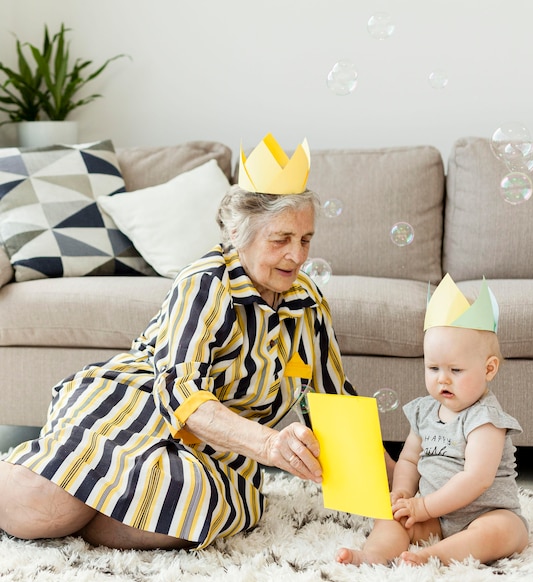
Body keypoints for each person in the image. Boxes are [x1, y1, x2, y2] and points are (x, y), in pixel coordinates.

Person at [0, 133, 391, 550]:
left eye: (305, 239)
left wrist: (399, 485)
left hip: (222, 451)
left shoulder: (307, 301)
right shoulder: (206, 283)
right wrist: (269, 443)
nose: (297, 256)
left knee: (182, 514)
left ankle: (84, 499)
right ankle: (58, 493)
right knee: (42, 510)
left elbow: (335, 400)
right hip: (143, 407)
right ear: (240, 234)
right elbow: (181, 394)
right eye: (281, 239)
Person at [337, 274, 528, 567]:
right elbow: (410, 460)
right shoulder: (424, 411)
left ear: (489, 369)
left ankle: (432, 556)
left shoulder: (486, 420)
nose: (443, 379)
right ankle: (375, 555)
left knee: (505, 531)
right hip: (435, 518)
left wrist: (424, 505)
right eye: (434, 367)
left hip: (484, 513)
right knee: (392, 515)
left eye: (456, 369)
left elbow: (476, 478)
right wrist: (402, 491)